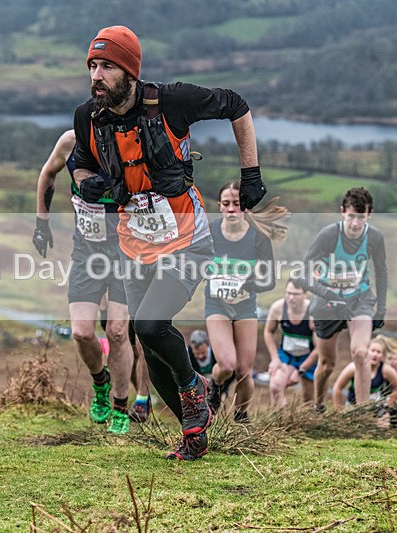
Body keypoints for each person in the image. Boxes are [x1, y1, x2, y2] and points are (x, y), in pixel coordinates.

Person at [72, 25, 268, 460]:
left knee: (147, 325)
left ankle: (194, 388)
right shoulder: (88, 117)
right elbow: (80, 166)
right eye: (91, 66)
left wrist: (250, 174)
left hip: (187, 241)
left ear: (129, 71)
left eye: (106, 66)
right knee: (150, 345)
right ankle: (192, 434)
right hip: (134, 244)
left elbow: (237, 105)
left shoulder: (171, 101)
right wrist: (87, 185)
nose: (96, 76)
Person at [33, 129, 134, 434]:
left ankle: (120, 406)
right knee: (81, 332)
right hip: (86, 252)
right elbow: (48, 173)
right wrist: (42, 223)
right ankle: (100, 382)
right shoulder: (70, 141)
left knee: (117, 331)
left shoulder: (129, 143)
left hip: (125, 252)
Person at [293, 187, 388, 411]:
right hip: (328, 302)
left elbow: (381, 271)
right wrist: (330, 294)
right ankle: (318, 405)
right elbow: (300, 274)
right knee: (327, 365)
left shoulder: (374, 237)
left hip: (359, 299)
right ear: (342, 212)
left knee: (361, 352)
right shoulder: (328, 235)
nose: (356, 224)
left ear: (370, 214)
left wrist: (381, 309)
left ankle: (362, 414)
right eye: (351, 217)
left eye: (361, 218)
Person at [204, 180, 276, 424]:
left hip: (245, 306)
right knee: (226, 364)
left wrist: (246, 284)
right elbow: (194, 262)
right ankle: (215, 386)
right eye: (226, 204)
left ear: (244, 206)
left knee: (244, 372)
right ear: (220, 207)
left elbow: (270, 281)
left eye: (236, 203)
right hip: (217, 305)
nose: (232, 209)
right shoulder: (210, 232)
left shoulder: (258, 238)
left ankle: (240, 417)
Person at [263, 280, 318, 408]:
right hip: (287, 354)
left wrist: (300, 371)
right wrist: (274, 358)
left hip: (309, 357)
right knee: (276, 386)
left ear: (306, 294)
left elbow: (319, 349)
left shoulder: (313, 314)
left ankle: (304, 424)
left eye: (296, 294)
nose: (291, 298)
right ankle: (279, 422)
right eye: (288, 293)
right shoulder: (278, 308)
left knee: (308, 400)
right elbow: (268, 331)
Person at [331, 337, 397, 427]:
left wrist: (387, 405)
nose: (375, 355)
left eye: (378, 352)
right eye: (372, 350)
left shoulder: (385, 370)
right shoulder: (353, 368)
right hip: (353, 408)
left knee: (383, 425)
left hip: (376, 409)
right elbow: (337, 388)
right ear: (367, 352)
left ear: (382, 356)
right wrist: (339, 412)